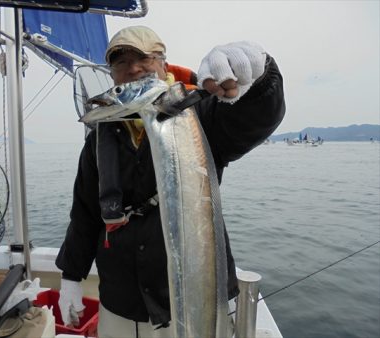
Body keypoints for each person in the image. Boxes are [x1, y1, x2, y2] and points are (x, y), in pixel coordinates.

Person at [55, 25, 285, 337]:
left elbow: (254, 117)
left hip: (190, 300)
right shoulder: (98, 138)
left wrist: (261, 76)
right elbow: (85, 213)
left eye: (143, 58)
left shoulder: (198, 112)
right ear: (112, 74)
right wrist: (71, 275)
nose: (133, 68)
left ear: (164, 64)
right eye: (121, 62)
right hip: (118, 301)